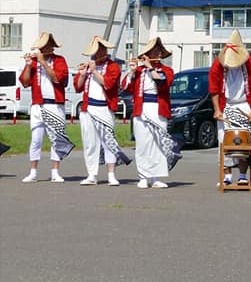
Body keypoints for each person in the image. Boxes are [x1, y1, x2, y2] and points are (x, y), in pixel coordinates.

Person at [209, 30, 251, 187]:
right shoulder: (218, 64)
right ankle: (226, 176)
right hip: (226, 104)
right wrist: (217, 110)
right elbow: (214, 89)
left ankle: (242, 175)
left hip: (244, 105)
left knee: (243, 142)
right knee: (224, 141)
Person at [121, 37, 179, 189]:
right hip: (142, 108)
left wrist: (150, 67)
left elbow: (162, 84)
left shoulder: (167, 70)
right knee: (143, 144)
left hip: (158, 108)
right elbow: (126, 88)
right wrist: (132, 71)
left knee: (158, 142)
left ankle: (156, 177)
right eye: (154, 51)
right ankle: (143, 176)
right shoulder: (139, 71)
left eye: (159, 51)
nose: (157, 54)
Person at [74, 35, 130, 186]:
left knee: (108, 141)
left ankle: (111, 174)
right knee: (89, 143)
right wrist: (83, 74)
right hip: (88, 108)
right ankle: (91, 174)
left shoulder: (113, 67)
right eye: (97, 50)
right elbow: (78, 88)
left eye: (102, 50)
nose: (99, 53)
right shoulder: (87, 66)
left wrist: (94, 71)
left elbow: (108, 83)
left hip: (104, 108)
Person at [19, 32, 74, 183]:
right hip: (38, 104)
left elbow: (58, 79)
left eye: (49, 45)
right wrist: (29, 66)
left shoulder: (60, 60)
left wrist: (43, 62)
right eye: (43, 46)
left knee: (56, 138)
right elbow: (24, 82)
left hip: (55, 104)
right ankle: (33, 172)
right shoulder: (34, 62)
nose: (46, 48)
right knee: (35, 139)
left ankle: (55, 171)